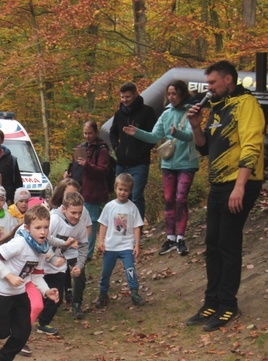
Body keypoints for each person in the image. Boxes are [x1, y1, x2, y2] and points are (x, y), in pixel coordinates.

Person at [184, 60, 265, 332]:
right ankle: (212, 301)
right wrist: (196, 126)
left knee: (228, 243)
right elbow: (205, 149)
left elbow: (252, 145)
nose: (208, 89)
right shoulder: (217, 109)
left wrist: (240, 186)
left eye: (212, 83)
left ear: (228, 80)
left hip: (241, 181)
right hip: (219, 183)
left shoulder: (246, 104)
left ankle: (228, 305)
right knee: (213, 244)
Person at [0, 205, 60, 361]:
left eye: (45, 227)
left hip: (19, 294)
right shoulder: (19, 243)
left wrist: (46, 291)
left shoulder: (42, 249)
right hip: (1, 291)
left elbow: (35, 275)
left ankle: (1, 360)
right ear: (27, 228)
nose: (43, 232)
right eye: (38, 228)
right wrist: (9, 276)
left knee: (23, 331)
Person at [122, 80, 200, 256]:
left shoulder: (190, 112)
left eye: (175, 94)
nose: (171, 97)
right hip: (168, 163)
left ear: (182, 94)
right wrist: (137, 133)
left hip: (186, 162)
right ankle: (170, 238)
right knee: (169, 199)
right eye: (169, 94)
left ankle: (181, 238)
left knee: (181, 199)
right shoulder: (165, 114)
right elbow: (154, 136)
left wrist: (176, 133)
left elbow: (190, 136)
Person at [108, 82, 157, 220]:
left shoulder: (147, 112)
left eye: (127, 97)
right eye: (122, 97)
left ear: (136, 94)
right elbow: (113, 133)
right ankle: (121, 225)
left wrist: (141, 152)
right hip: (122, 162)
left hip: (139, 163)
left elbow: (153, 136)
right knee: (121, 195)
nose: (124, 100)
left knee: (136, 195)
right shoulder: (119, 114)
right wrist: (116, 148)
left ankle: (137, 228)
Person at [95, 173, 145, 309]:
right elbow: (103, 224)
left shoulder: (132, 207)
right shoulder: (109, 206)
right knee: (106, 272)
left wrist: (136, 245)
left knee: (130, 269)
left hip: (126, 246)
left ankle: (134, 292)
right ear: (116, 188)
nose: (123, 192)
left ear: (130, 191)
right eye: (120, 189)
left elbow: (136, 227)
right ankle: (103, 294)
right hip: (111, 246)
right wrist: (101, 241)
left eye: (126, 190)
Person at [68, 121, 111, 261]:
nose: (87, 136)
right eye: (85, 133)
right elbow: (74, 166)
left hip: (93, 192)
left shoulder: (102, 150)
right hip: (79, 189)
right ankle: (76, 250)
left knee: (90, 223)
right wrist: (67, 172)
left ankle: (88, 254)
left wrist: (88, 165)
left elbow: (104, 171)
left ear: (96, 133)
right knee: (77, 221)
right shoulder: (81, 148)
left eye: (90, 133)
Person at [48, 191, 89, 320]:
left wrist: (79, 265)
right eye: (73, 213)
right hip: (43, 259)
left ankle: (76, 304)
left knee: (58, 294)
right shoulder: (54, 220)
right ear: (64, 209)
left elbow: (83, 247)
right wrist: (53, 258)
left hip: (58, 260)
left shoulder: (80, 226)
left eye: (80, 213)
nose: (77, 216)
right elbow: (41, 242)